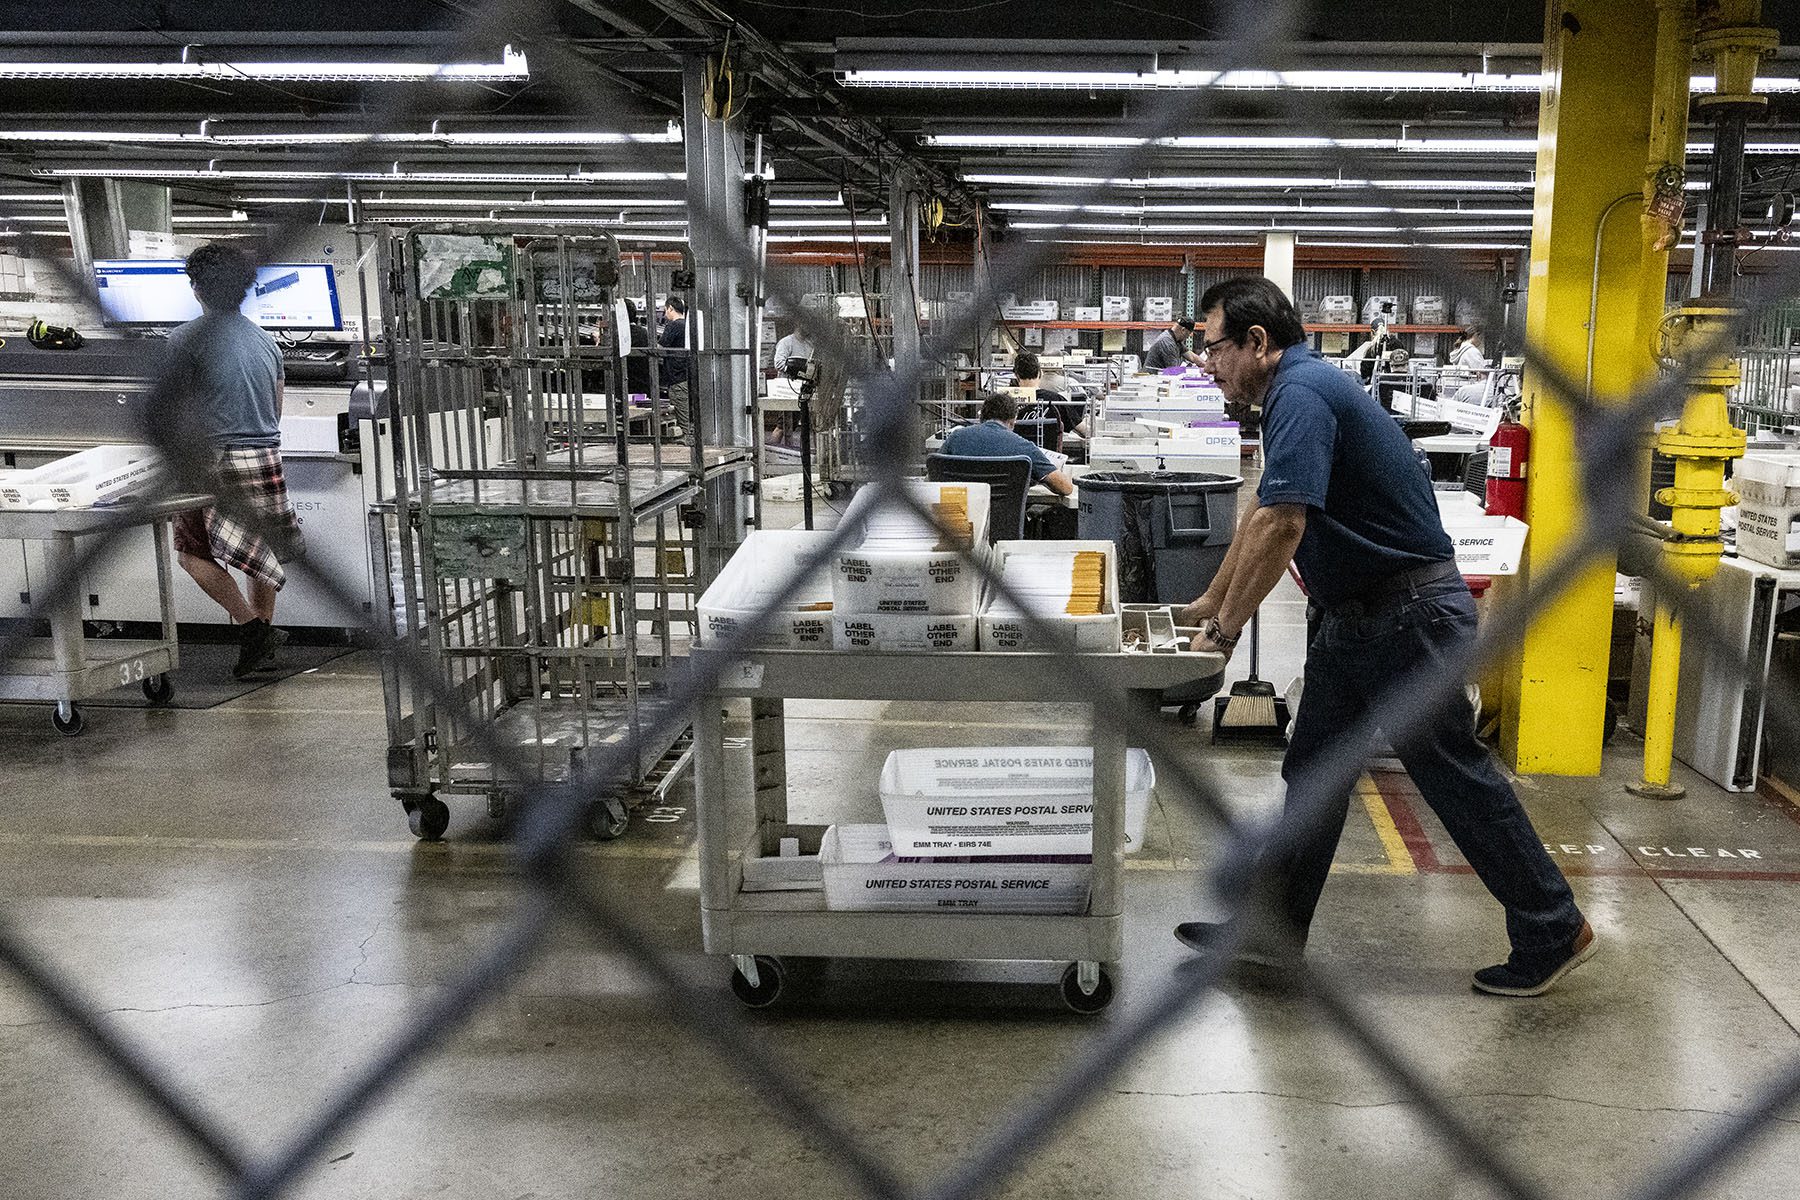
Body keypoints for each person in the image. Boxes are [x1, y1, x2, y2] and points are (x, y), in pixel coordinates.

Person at [1172, 276, 1593, 998]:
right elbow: (1264, 510)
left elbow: (1285, 525)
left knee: (1453, 778)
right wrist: (1211, 600)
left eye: (1210, 348)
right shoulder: (1296, 395)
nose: (1205, 363)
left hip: (1407, 621)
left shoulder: (1299, 395)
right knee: (1313, 777)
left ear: (1257, 344)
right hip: (1357, 621)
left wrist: (1226, 630)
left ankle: (1554, 926)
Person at [160, 243, 305, 679]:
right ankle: (262, 642)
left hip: (211, 461)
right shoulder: (267, 342)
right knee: (259, 552)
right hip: (264, 455)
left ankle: (250, 628)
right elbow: (275, 408)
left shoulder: (185, 339)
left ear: (196, 288)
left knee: (191, 552)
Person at [941, 391, 1075, 497]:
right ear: (1013, 421)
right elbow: (1066, 487)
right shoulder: (1025, 448)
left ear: (981, 417)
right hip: (1006, 526)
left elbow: (933, 476)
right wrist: (1041, 479)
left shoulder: (955, 438)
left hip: (959, 523)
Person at [1012, 351, 1090, 441]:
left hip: (1015, 454)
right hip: (1048, 454)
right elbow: (1085, 430)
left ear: (1016, 376)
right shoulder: (1056, 400)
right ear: (1040, 373)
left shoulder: (1007, 402)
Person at [659, 295, 691, 409]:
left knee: (681, 419)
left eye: (665, 310)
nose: (665, 314)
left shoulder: (673, 325)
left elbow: (659, 349)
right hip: (686, 376)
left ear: (670, 308)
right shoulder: (688, 325)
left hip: (676, 379)